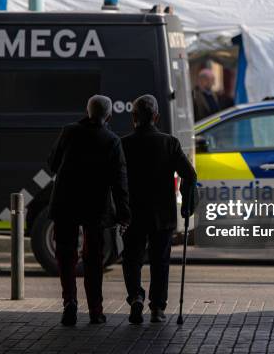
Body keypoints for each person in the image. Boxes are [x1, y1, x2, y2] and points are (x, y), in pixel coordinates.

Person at [48, 95, 131, 326]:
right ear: (109, 116)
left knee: (66, 255)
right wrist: (124, 214)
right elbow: (119, 181)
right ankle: (96, 311)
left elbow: (52, 163)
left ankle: (69, 303)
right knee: (93, 258)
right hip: (95, 206)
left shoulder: (69, 131)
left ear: (87, 111)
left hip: (65, 202)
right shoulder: (112, 140)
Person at [121, 94, 197, 324]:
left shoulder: (124, 144)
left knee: (132, 258)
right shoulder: (169, 143)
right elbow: (190, 175)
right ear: (156, 116)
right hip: (161, 214)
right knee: (160, 260)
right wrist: (187, 202)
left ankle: (135, 297)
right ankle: (157, 308)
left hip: (133, 212)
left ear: (134, 117)